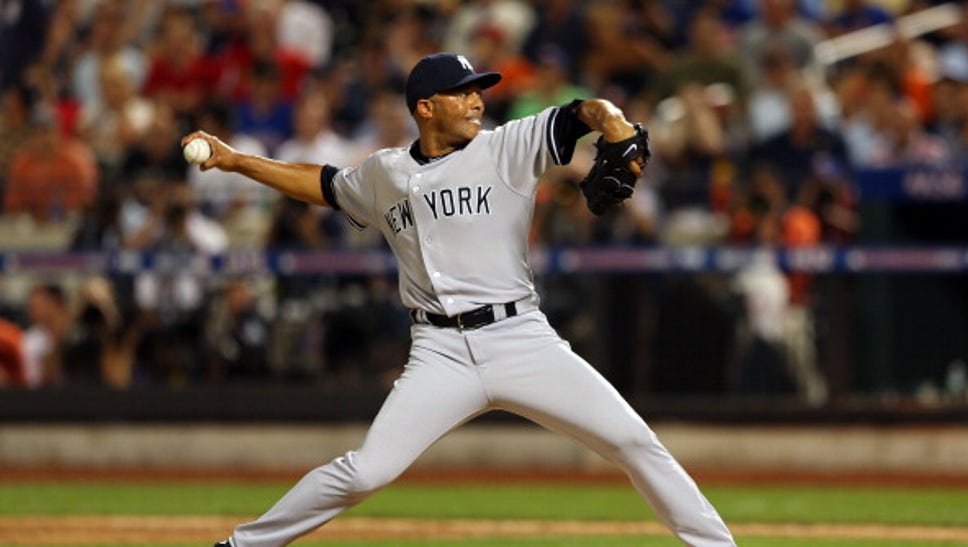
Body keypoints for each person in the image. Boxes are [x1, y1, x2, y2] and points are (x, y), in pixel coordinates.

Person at [186, 52, 735, 547]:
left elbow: (582, 112)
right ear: (426, 108)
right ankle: (242, 546)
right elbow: (323, 185)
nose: (477, 100)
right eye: (463, 91)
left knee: (633, 441)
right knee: (365, 473)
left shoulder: (506, 146)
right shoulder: (385, 173)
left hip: (520, 338)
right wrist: (236, 162)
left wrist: (613, 122)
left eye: (479, 90)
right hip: (439, 352)